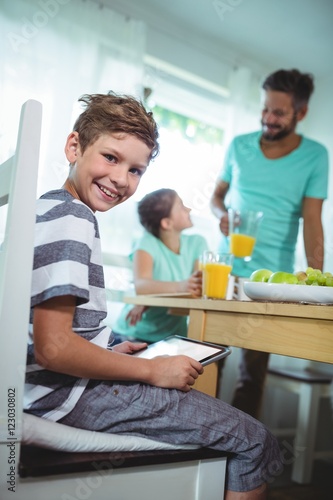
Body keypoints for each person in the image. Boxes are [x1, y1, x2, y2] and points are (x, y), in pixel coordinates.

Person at [24, 91, 282, 499]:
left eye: (136, 170)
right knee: (257, 442)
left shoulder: (48, 210)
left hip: (48, 388)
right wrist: (151, 371)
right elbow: (53, 349)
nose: (122, 179)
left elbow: (55, 331)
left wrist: (109, 351)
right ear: (74, 146)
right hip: (66, 393)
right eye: (110, 157)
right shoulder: (73, 219)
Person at [210, 69, 329, 419]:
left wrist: (315, 282)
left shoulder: (315, 156)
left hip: (270, 283)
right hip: (225, 271)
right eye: (265, 109)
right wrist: (221, 211)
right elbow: (218, 196)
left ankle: (238, 458)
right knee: (207, 358)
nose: (268, 118)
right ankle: (199, 448)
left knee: (251, 374)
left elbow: (313, 221)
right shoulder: (239, 145)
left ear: (301, 114)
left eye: (278, 112)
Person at [112, 188, 208, 344]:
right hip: (134, 334)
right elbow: (142, 286)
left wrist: (152, 298)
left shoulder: (197, 243)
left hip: (172, 338)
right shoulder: (147, 242)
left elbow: (198, 287)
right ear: (167, 223)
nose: (189, 209)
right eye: (182, 207)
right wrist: (182, 286)